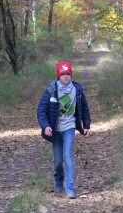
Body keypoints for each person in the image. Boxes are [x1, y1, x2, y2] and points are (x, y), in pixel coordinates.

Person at [37, 61, 91, 199]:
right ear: (58, 76)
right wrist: (46, 125)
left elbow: (84, 108)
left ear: (71, 75)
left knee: (68, 156)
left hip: (69, 127)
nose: (66, 77)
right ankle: (59, 180)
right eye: (63, 74)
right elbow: (41, 110)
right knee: (58, 161)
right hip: (55, 130)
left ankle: (70, 188)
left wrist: (86, 125)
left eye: (68, 74)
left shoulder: (77, 90)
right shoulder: (52, 90)